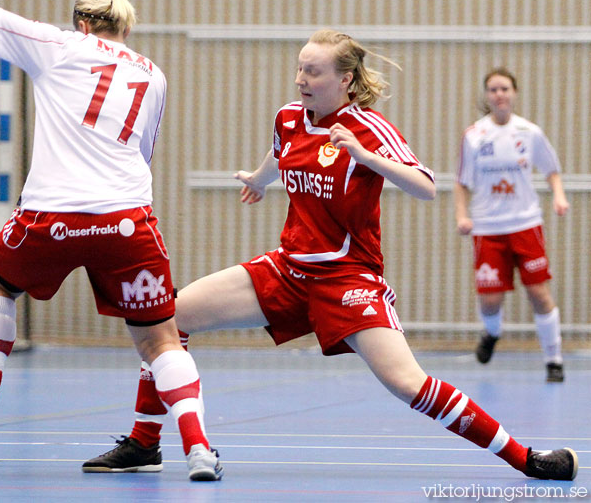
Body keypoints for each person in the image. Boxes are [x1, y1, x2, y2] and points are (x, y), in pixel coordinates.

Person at [82, 30, 578, 481]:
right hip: (289, 268)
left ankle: (526, 458)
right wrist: (259, 179)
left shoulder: (368, 127)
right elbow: (281, 151)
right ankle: (145, 441)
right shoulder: (288, 117)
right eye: (299, 68)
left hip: (348, 280)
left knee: (410, 385)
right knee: (169, 316)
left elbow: (426, 187)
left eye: (312, 71)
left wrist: (366, 158)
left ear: (344, 80)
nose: (301, 78)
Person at [0, 0, 222, 481]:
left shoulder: (59, 45)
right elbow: (144, 153)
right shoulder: (153, 73)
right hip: (127, 220)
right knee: (160, 339)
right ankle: (200, 449)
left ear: (81, 23)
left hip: (52, 217)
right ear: (127, 28)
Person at [454, 68, 569, 383]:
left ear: (514, 93)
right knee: (490, 300)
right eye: (492, 89)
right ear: (487, 95)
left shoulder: (529, 132)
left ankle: (554, 360)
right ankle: (492, 334)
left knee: (539, 293)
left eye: (504, 88)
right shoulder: (474, 136)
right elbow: (461, 182)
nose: (499, 94)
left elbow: (552, 170)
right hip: (488, 228)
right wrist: (462, 216)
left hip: (525, 224)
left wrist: (558, 196)